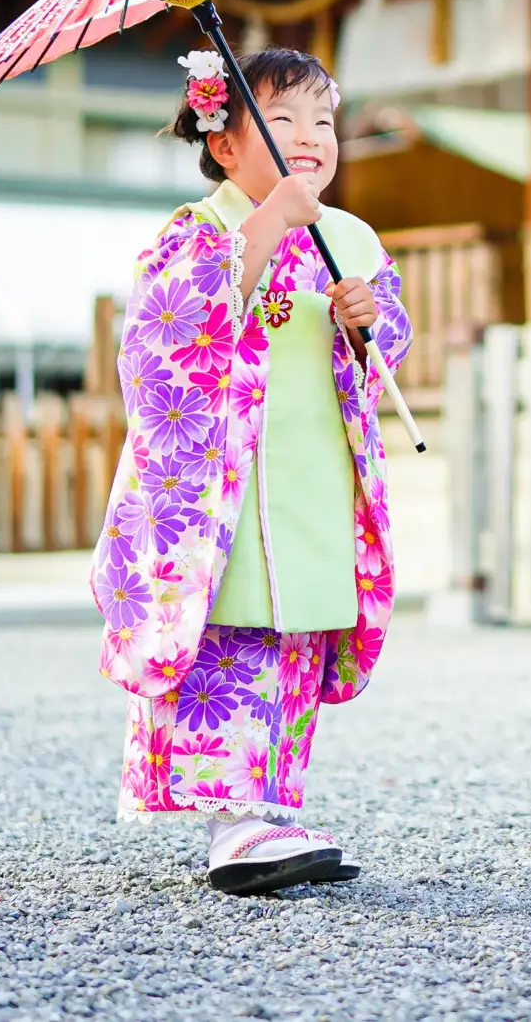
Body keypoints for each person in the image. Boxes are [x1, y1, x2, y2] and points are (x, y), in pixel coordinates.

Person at [92, 45, 410, 895]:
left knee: (295, 638)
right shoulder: (200, 232)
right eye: (280, 119)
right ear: (224, 142)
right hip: (225, 491)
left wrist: (364, 321)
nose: (309, 136)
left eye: (323, 120)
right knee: (233, 640)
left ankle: (270, 806)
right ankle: (234, 822)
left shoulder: (350, 238)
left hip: (309, 476)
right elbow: (169, 332)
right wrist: (270, 221)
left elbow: (385, 350)